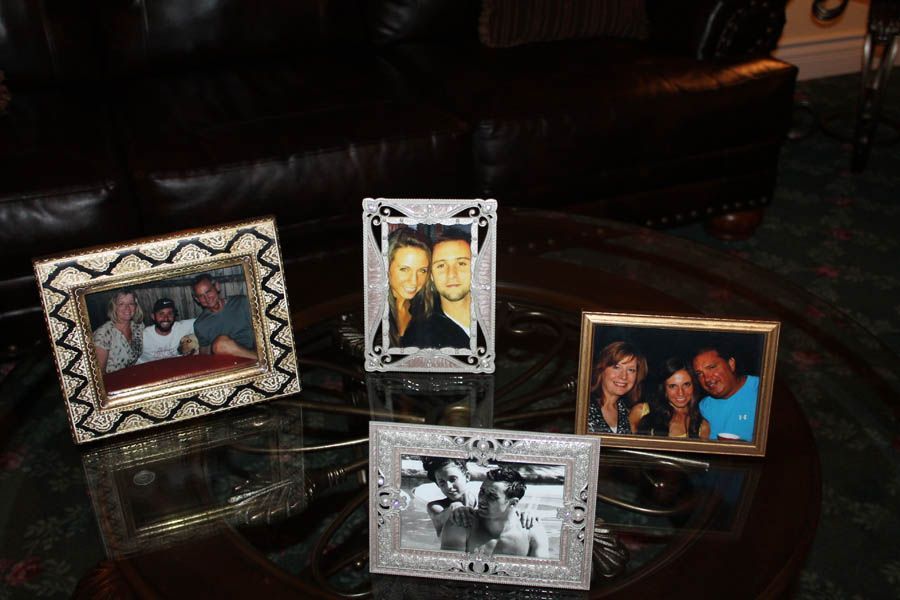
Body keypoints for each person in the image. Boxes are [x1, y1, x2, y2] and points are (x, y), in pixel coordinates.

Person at [440, 464, 548, 558]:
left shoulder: (532, 531)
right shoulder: (460, 524)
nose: (482, 499)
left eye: (492, 496)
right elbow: (449, 573)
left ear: (513, 503)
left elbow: (542, 577)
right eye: (482, 492)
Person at [401, 233, 472, 349]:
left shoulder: (500, 319)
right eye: (441, 266)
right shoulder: (418, 338)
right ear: (431, 276)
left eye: (461, 263)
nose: (452, 275)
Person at [692, 341, 759, 441]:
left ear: (731, 364)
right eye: (699, 374)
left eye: (711, 367)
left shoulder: (762, 390)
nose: (707, 379)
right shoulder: (704, 407)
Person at [632, 357, 711, 439]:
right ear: (664, 388)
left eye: (686, 385)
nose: (681, 393)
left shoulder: (701, 426)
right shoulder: (641, 412)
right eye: (673, 386)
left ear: (694, 385)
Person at [586, 341, 648, 434]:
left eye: (631, 370)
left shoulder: (627, 412)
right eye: (616, 367)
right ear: (601, 369)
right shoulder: (583, 406)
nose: (623, 376)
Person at [191, 274, 257, 359]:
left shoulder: (242, 302)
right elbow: (205, 354)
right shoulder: (200, 325)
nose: (207, 298)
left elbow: (259, 329)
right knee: (220, 344)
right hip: (227, 362)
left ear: (217, 287)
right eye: (201, 296)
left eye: (208, 292)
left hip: (255, 351)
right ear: (197, 299)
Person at [386, 227, 432, 346]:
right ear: (386, 267)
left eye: (422, 270)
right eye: (404, 269)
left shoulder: (423, 307)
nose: (414, 281)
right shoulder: (373, 313)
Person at [421, 457, 480, 537]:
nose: (448, 486)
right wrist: (453, 508)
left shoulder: (482, 504)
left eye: (452, 479)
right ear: (438, 485)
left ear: (467, 476)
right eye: (442, 482)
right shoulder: (435, 507)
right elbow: (439, 519)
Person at [93, 289, 144, 374]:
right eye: (121, 304)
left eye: (131, 303)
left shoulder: (138, 326)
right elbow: (99, 375)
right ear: (114, 307)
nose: (127, 308)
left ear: (136, 307)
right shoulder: (103, 334)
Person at [135, 298, 197, 364]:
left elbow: (205, 320)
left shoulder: (181, 327)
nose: (166, 318)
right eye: (161, 314)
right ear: (153, 316)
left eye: (170, 313)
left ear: (174, 315)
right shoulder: (143, 336)